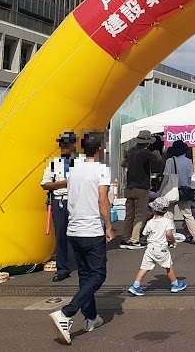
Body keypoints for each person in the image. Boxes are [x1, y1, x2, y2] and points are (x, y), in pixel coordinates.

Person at [49, 131, 114, 345]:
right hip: (91, 229)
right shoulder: (101, 169)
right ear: (100, 149)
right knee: (98, 275)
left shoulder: (75, 169)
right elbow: (102, 200)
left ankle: (91, 317)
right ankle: (66, 313)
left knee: (85, 276)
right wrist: (109, 226)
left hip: (73, 229)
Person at [127, 197, 187, 296]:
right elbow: (169, 234)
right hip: (161, 248)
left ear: (153, 210)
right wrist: (174, 242)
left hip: (150, 248)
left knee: (144, 267)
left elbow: (145, 233)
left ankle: (135, 286)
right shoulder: (167, 221)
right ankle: (175, 284)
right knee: (168, 266)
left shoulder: (150, 222)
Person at [40, 131, 78, 282]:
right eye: (62, 144)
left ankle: (82, 264)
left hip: (77, 200)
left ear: (74, 145)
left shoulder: (81, 162)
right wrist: (61, 184)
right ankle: (62, 268)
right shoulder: (54, 163)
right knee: (61, 235)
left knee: (79, 234)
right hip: (60, 200)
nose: (63, 147)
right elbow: (44, 184)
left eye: (67, 144)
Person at [121, 129, 162, 249]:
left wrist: (132, 165)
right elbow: (158, 160)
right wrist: (156, 151)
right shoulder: (145, 152)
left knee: (129, 215)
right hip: (141, 187)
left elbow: (123, 163)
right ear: (147, 142)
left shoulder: (131, 151)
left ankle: (125, 238)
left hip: (129, 187)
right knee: (140, 214)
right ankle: (134, 240)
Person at [163, 140, 195, 246]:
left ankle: (171, 239)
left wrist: (160, 192)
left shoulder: (170, 161)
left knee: (169, 216)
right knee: (188, 215)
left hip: (171, 191)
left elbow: (166, 178)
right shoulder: (189, 161)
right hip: (184, 190)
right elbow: (189, 179)